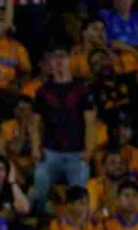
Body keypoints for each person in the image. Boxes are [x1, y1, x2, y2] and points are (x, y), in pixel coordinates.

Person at [33, 44, 97, 205]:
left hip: (76, 153)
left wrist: (89, 150)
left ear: (70, 59)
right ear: (50, 61)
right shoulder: (43, 91)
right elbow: (35, 123)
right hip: (50, 152)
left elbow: (90, 122)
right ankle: (41, 216)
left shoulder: (82, 90)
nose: (59, 61)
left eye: (62, 56)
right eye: (55, 57)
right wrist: (35, 148)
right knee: (39, 182)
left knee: (79, 195)